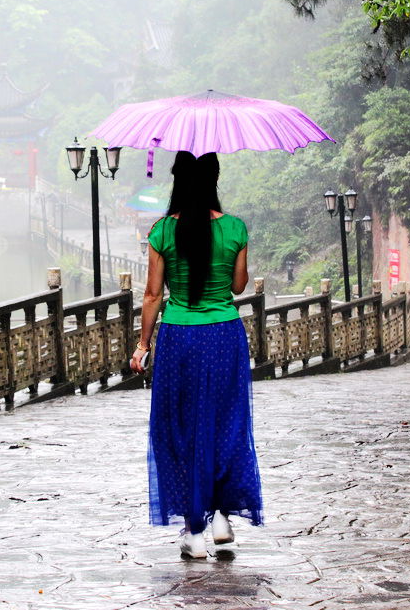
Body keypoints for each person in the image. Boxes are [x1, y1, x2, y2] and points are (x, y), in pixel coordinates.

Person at [130, 150, 263, 558]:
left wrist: (142, 346)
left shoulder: (162, 232)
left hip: (180, 339)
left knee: (180, 429)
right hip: (224, 336)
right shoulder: (236, 228)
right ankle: (222, 516)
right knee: (227, 424)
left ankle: (193, 532)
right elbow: (239, 286)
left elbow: (153, 295)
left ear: (177, 180)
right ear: (214, 179)